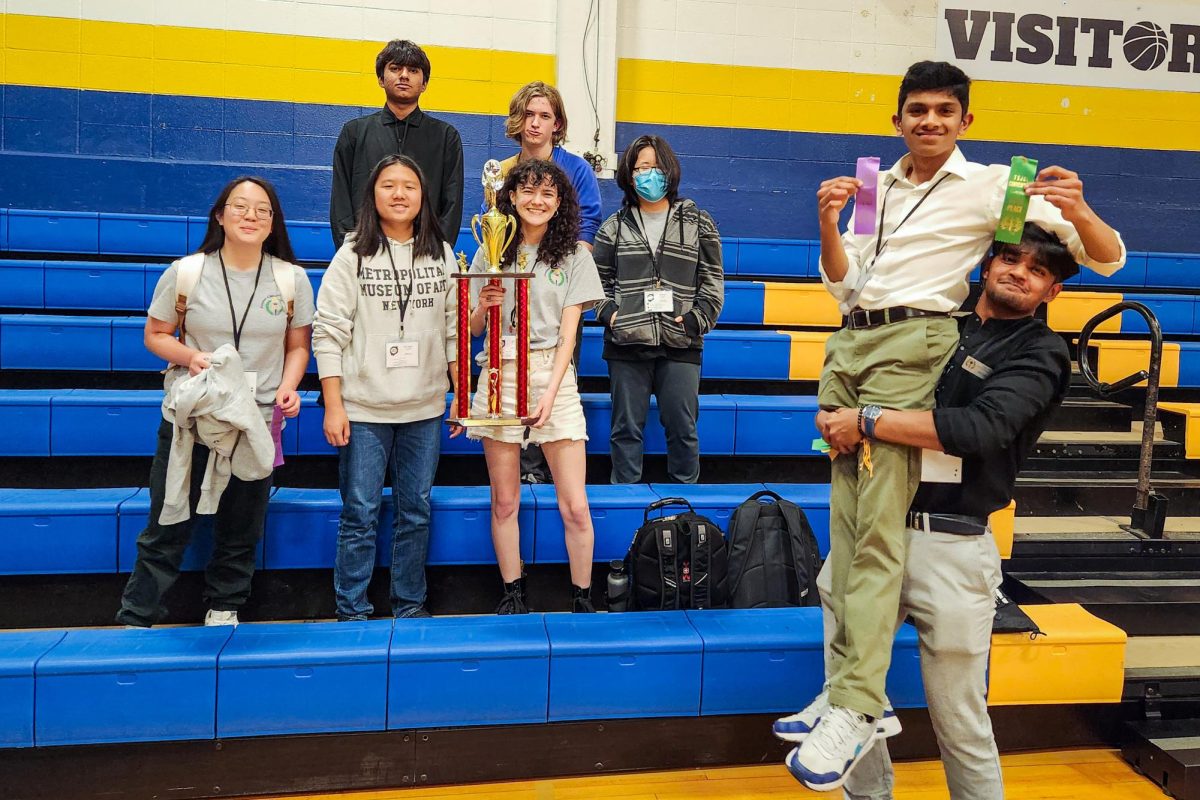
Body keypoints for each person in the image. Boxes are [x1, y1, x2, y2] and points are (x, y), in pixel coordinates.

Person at [791, 60, 1126, 791]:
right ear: (897, 118)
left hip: (947, 522)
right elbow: (850, 282)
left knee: (961, 718)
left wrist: (1083, 205)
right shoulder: (878, 189)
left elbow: (1102, 258)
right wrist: (826, 223)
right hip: (859, 339)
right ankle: (853, 703)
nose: (931, 121)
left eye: (946, 110)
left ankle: (857, 701)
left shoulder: (995, 191)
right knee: (848, 556)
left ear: (967, 121)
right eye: (918, 109)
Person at [779, 222, 1078, 799]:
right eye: (1011, 259)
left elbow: (980, 428)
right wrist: (834, 418)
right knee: (851, 707)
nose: (1020, 273)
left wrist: (866, 420)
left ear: (1052, 292)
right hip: (874, 530)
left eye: (1038, 270)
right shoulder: (938, 321)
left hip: (952, 545)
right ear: (985, 265)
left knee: (960, 722)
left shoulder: (1042, 351)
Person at [116, 177, 314, 628]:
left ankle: (224, 607)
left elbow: (298, 346)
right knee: (168, 523)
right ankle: (137, 615)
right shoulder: (186, 272)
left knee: (241, 527)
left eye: (262, 210)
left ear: (272, 224)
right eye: (239, 207)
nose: (251, 216)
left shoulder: (291, 279)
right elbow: (155, 335)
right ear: (220, 216)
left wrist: (289, 385)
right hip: (193, 419)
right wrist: (192, 357)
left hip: (257, 421)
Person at [313, 154, 459, 621]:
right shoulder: (352, 254)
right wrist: (333, 405)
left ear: (423, 197)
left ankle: (408, 606)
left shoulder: (442, 254)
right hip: (364, 409)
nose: (399, 194)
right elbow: (327, 332)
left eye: (410, 186)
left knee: (415, 512)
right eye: (389, 185)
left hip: (425, 407)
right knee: (360, 513)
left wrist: (462, 398)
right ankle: (351, 609)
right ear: (372, 194)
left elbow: (455, 330)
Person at [466, 159, 605, 614]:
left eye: (547, 193)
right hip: (500, 372)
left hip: (552, 375)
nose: (536, 200)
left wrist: (549, 392)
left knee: (575, 506)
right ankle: (513, 592)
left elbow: (570, 333)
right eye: (527, 190)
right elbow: (471, 328)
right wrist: (485, 304)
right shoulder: (490, 249)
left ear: (560, 202)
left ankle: (582, 596)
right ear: (511, 195)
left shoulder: (575, 256)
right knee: (504, 501)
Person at [592, 134, 723, 484]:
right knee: (625, 431)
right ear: (628, 175)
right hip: (626, 343)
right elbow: (596, 285)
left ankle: (687, 509)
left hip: (681, 342)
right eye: (640, 168)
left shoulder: (698, 222)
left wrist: (697, 320)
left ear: (669, 170)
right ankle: (625, 502)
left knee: (682, 429)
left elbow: (712, 281)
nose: (648, 174)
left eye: (654, 166)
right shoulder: (613, 229)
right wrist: (611, 315)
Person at [495, 81, 603, 484]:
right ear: (517, 120)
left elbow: (587, 222)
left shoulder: (577, 168)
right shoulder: (502, 171)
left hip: (560, 281)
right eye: (528, 114)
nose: (535, 123)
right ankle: (522, 466)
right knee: (509, 374)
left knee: (556, 372)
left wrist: (558, 266)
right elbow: (495, 230)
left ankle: (547, 462)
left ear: (557, 124)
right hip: (511, 287)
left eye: (545, 116)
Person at [330, 39, 464, 248]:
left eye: (413, 70)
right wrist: (352, 253)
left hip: (425, 257)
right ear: (381, 79)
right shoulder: (354, 133)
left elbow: (451, 206)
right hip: (365, 254)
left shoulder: (446, 137)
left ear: (424, 83)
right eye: (395, 68)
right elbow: (341, 204)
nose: (404, 75)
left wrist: (437, 254)